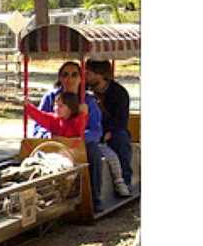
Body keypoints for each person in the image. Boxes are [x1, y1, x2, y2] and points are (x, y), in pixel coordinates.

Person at [31, 61, 105, 212]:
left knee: (94, 152)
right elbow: (38, 125)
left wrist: (76, 139)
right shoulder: (50, 97)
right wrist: (48, 135)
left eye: (74, 74)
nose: (69, 79)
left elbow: (96, 131)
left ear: (80, 78)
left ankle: (94, 199)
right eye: (65, 75)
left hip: (79, 144)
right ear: (60, 77)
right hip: (53, 141)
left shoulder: (88, 101)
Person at [85, 59, 133, 190]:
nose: (85, 76)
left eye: (88, 73)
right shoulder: (84, 89)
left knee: (121, 138)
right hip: (91, 128)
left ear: (99, 74)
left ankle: (125, 180)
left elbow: (121, 120)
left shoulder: (119, 93)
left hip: (111, 130)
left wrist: (108, 133)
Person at [23, 91, 89, 138]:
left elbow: (81, 125)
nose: (56, 108)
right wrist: (28, 106)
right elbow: (40, 116)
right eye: (55, 105)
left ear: (71, 108)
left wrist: (83, 113)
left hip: (72, 152)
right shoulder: (54, 119)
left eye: (61, 106)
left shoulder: (76, 121)